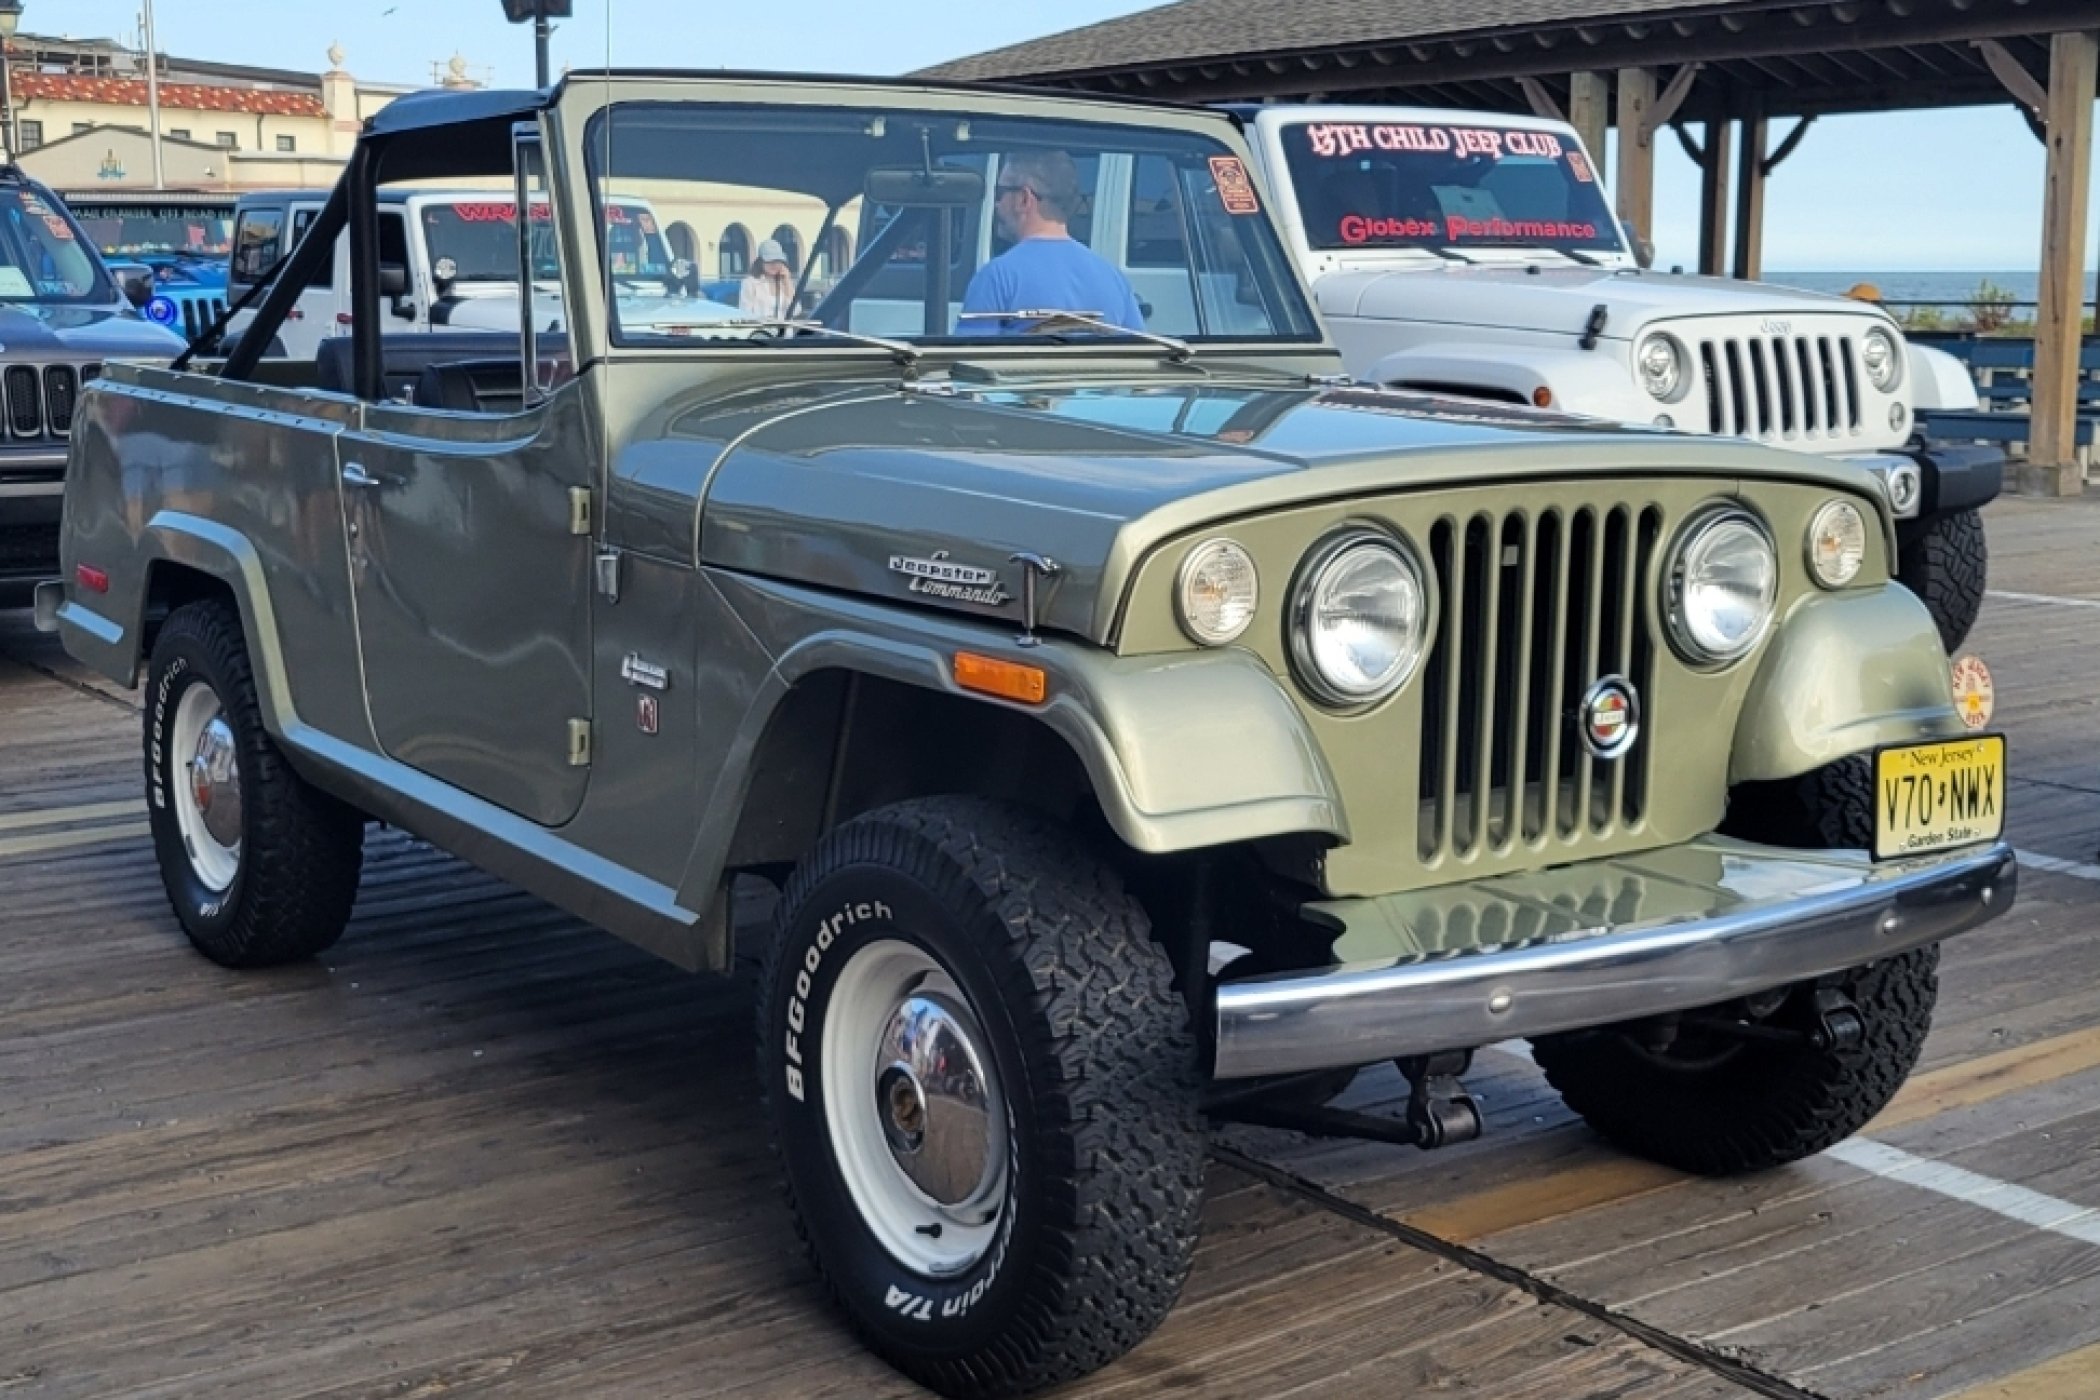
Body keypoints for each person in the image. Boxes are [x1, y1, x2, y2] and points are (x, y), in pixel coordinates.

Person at [961, 151, 1144, 334]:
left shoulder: (997, 277)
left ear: (1024, 199)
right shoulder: (1114, 279)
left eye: (1000, 193)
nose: (996, 204)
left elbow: (968, 357)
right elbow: (1139, 355)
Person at [739, 238, 798, 320]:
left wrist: (787, 282)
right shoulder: (750, 283)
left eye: (778, 261)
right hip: (761, 331)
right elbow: (745, 313)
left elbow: (796, 311)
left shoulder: (784, 282)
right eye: (769, 261)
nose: (774, 265)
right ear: (760, 262)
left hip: (783, 331)